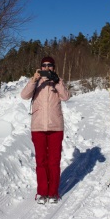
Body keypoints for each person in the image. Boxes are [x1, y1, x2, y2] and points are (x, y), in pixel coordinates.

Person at [20, 56, 70, 205]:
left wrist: (57, 82)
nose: (47, 68)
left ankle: (53, 192)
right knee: (41, 161)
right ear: (40, 68)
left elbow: (66, 97)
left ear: (54, 68)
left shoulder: (57, 81)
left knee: (54, 161)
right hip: (38, 127)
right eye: (44, 65)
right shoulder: (36, 82)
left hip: (56, 127)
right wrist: (33, 80)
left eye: (50, 66)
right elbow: (24, 95)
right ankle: (42, 192)